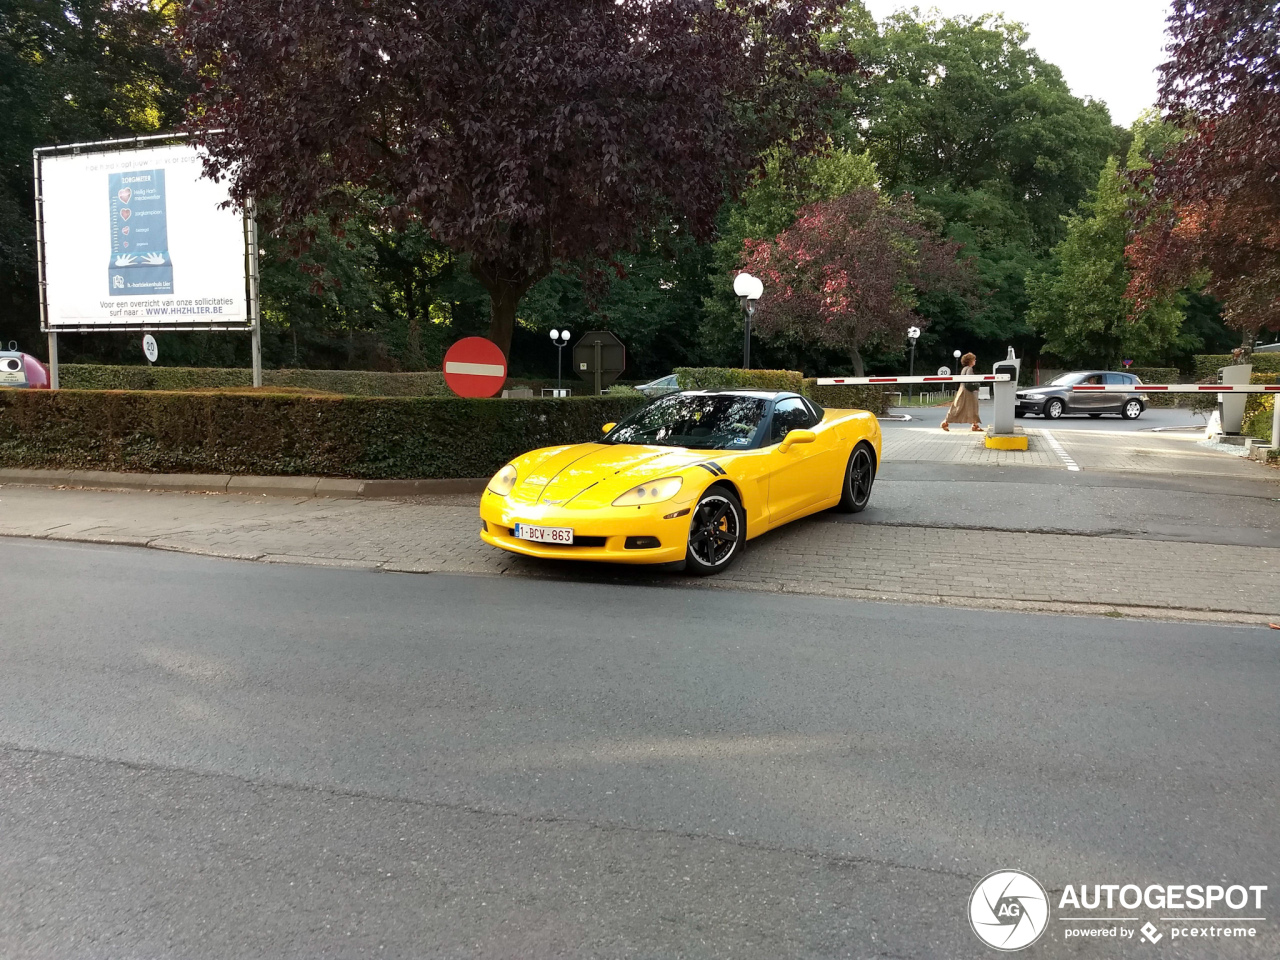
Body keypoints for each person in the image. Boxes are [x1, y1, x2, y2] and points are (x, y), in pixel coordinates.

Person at [941, 352, 982, 432]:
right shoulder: (969, 369)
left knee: (959, 407)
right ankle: (945, 422)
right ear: (970, 361)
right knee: (970, 407)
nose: (975, 361)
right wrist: (976, 386)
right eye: (974, 359)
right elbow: (969, 381)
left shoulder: (964, 369)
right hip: (968, 392)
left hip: (962, 390)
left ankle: (975, 425)